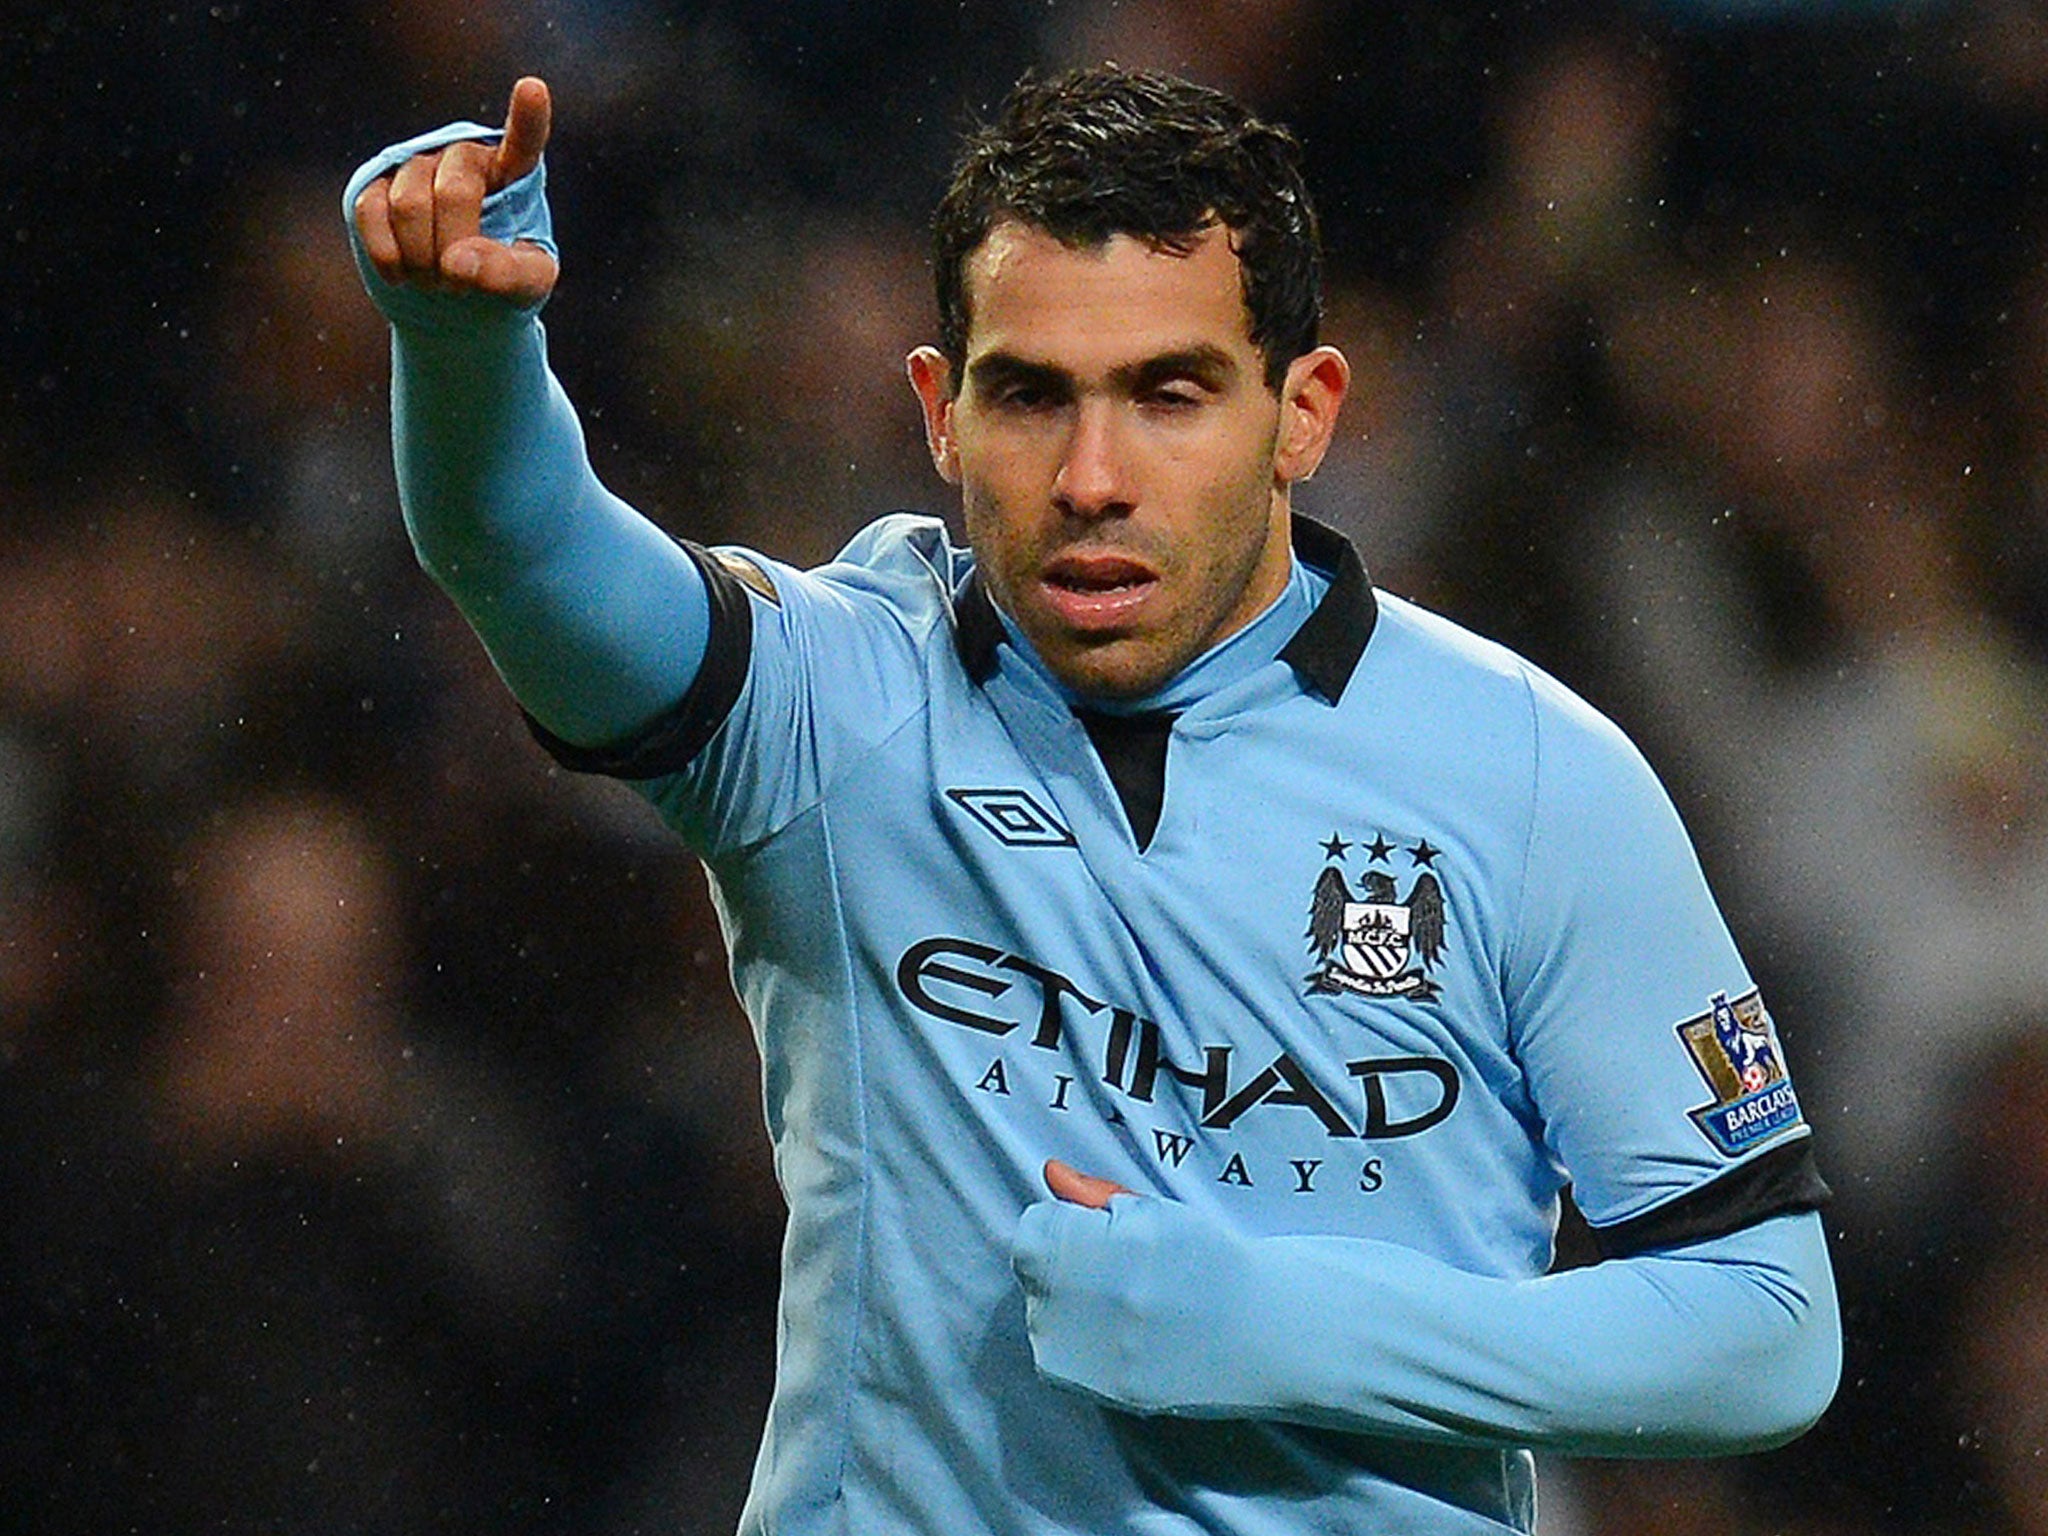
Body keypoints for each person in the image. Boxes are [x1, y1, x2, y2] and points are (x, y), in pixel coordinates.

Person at [345, 65, 1840, 1535]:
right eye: (1030, 397)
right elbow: (527, 556)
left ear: (1303, 411)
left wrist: (1277, 1321)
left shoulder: (1530, 774)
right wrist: (462, 348)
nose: (1092, 475)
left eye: (1169, 394)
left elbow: (1766, 1327)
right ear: (938, 412)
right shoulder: (831, 705)